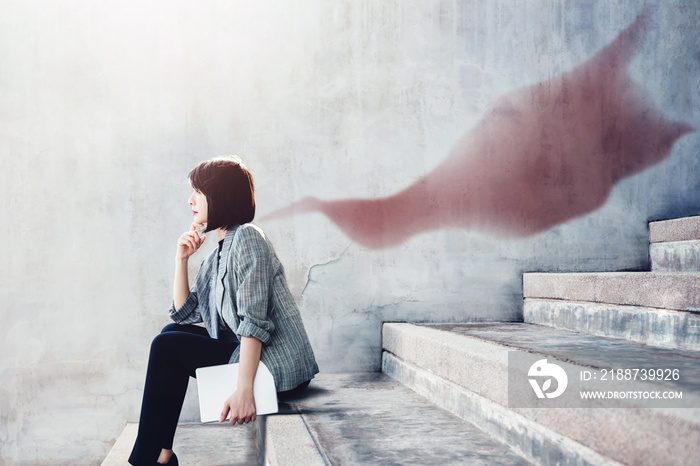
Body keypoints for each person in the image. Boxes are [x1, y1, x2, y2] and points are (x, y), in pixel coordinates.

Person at [128, 155, 319, 466]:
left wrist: (244, 390)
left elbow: (254, 321)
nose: (191, 200)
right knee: (170, 335)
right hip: (250, 353)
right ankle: (161, 454)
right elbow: (185, 315)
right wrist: (182, 260)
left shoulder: (247, 237)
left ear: (220, 197)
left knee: (166, 346)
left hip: (278, 365)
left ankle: (149, 460)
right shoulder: (218, 251)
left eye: (198, 192)